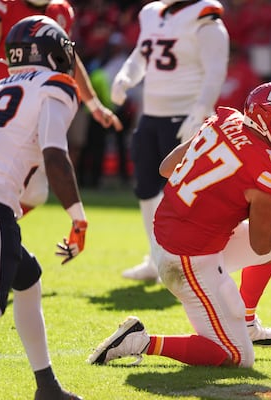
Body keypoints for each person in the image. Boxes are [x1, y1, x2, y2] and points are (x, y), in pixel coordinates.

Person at [87, 81, 271, 367]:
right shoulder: (269, 170)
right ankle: (140, 340)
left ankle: (246, 321)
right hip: (186, 259)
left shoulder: (225, 120)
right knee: (236, 357)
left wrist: (222, 194)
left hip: (171, 235)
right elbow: (261, 244)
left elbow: (166, 167)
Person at [0, 15, 87, 399]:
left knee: (27, 278)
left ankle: (47, 387)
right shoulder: (55, 85)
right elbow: (55, 155)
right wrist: (78, 217)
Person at [110, 0, 229, 282]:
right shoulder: (151, 14)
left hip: (186, 117)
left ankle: (197, 262)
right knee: (147, 190)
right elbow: (141, 56)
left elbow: (215, 71)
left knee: (193, 194)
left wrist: (200, 111)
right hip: (151, 117)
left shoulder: (206, 20)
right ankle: (156, 258)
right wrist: (125, 77)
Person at [0, 0, 123, 214]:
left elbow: (67, 58)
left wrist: (94, 104)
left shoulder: (61, 10)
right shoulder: (2, 4)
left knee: (34, 191)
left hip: (27, 114)